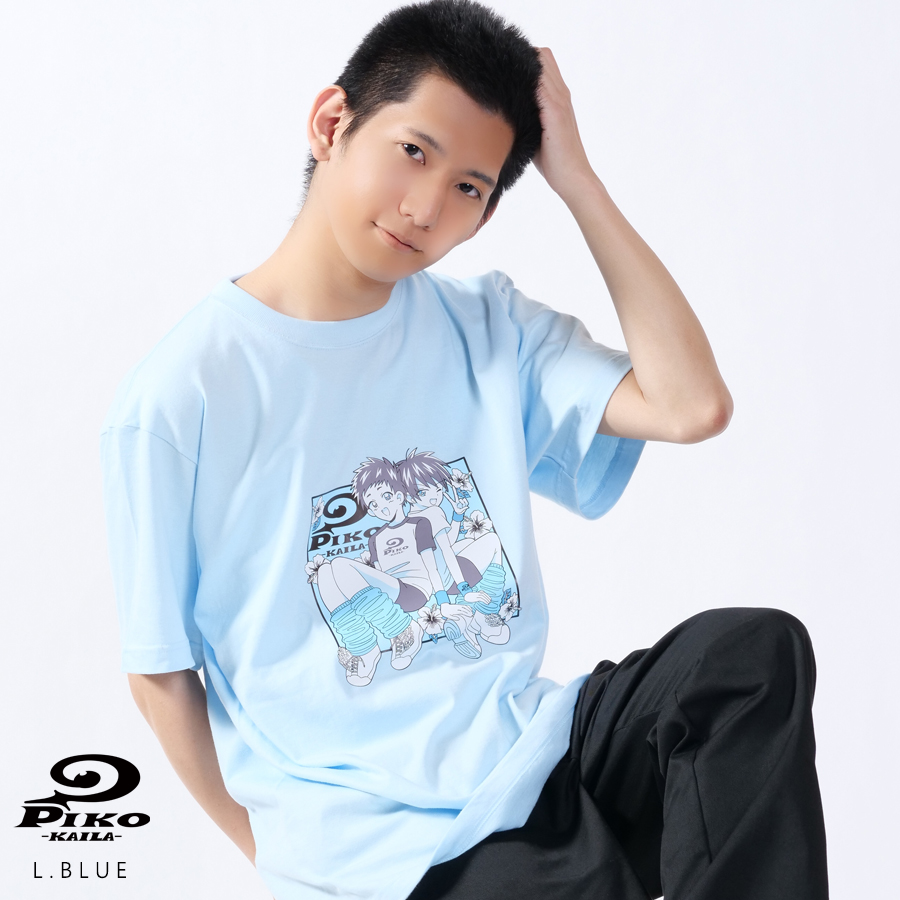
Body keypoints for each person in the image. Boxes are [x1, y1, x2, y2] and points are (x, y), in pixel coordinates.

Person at [99, 1, 828, 898]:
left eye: (470, 189)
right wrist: (278, 852)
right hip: (389, 839)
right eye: (413, 151)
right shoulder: (184, 394)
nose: (426, 208)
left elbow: (690, 404)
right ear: (331, 124)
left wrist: (576, 180)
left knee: (750, 659)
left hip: (536, 747)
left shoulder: (488, 327)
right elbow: (159, 673)